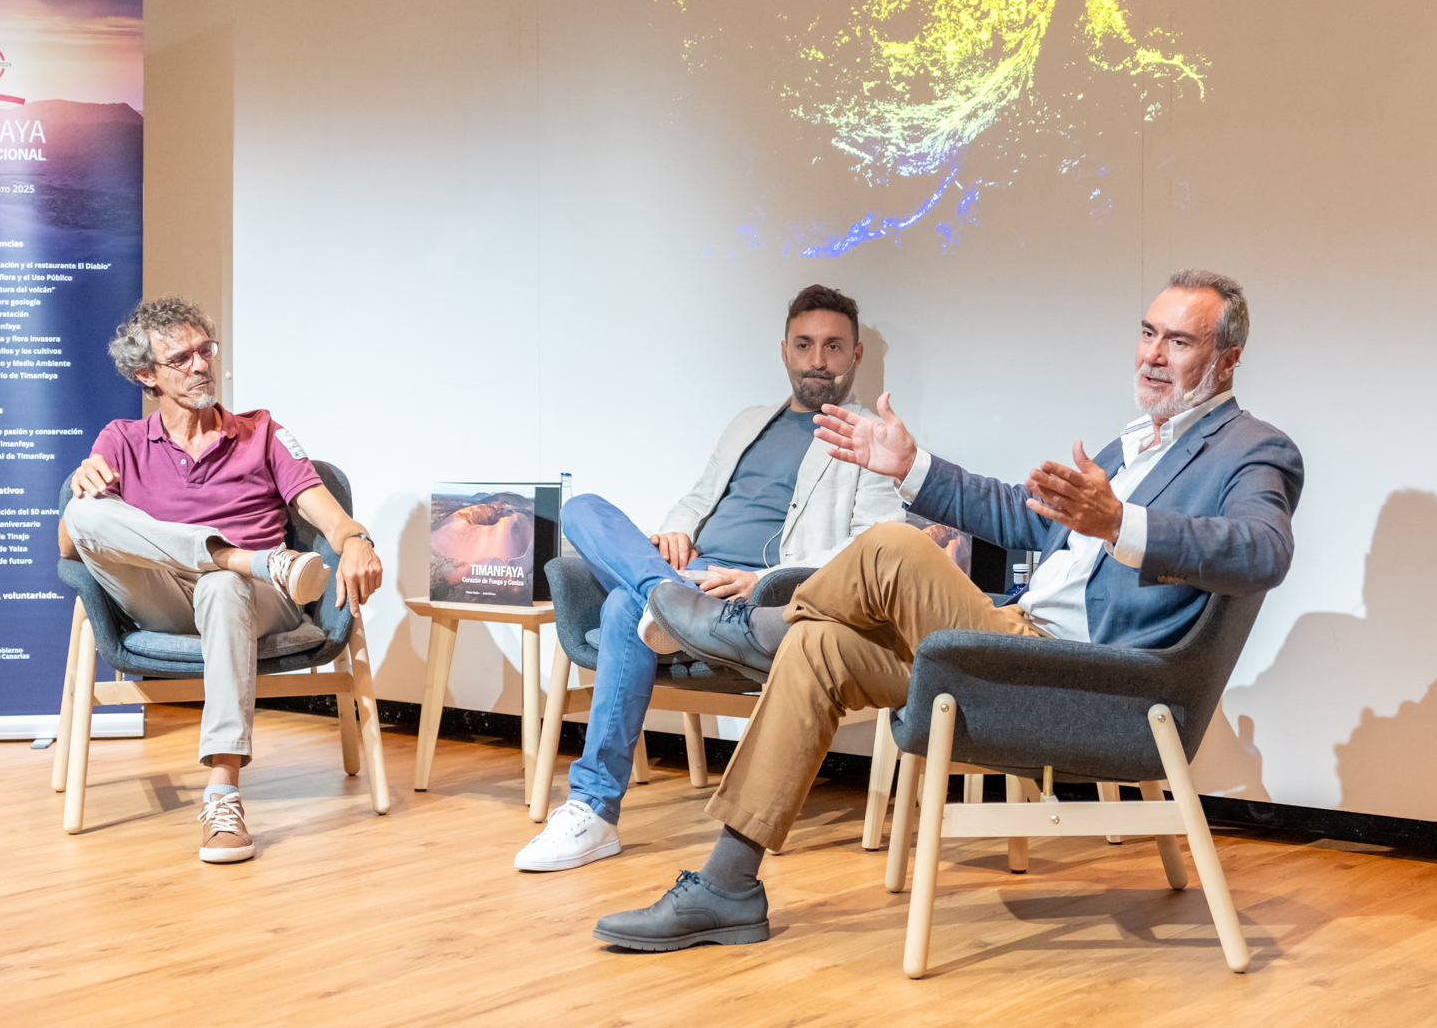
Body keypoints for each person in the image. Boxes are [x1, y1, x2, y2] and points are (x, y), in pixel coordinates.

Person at [597, 269, 1304, 950]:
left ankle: (749, 631)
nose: (1153, 353)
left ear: (1227, 358)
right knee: (816, 650)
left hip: (1090, 679)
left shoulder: (1252, 450)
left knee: (891, 549)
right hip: (1014, 639)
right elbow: (1022, 517)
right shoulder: (1134, 444)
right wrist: (911, 467)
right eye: (1149, 333)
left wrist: (1121, 523)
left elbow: (1264, 550)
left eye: (1178, 341)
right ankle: (727, 886)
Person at [514, 284, 905, 872]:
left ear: (854, 357)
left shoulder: (868, 437)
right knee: (582, 509)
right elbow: (697, 499)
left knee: (624, 609)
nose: (817, 359)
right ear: (784, 351)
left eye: (832, 346)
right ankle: (664, 597)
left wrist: (764, 579)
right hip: (688, 575)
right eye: (804, 345)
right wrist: (674, 533)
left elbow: (871, 547)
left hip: (751, 595)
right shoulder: (750, 421)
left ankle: (593, 809)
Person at [58, 297, 383, 865]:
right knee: (81, 513)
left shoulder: (263, 433)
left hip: (257, 600)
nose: (199, 364)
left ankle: (223, 792)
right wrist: (85, 486)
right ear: (146, 376)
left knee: (221, 587)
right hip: (165, 595)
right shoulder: (121, 439)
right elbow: (73, 545)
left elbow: (328, 516)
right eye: (179, 358)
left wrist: (356, 541)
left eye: (205, 350)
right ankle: (240, 557)